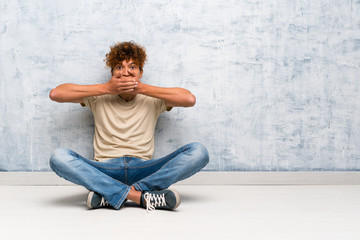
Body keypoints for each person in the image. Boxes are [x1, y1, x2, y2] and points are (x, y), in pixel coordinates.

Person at [49, 41, 209, 212]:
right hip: (105, 169)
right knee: (58, 157)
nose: (125, 72)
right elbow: (56, 93)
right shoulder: (98, 96)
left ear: (140, 73)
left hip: (144, 169)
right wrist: (106, 88)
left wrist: (142, 89)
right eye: (119, 67)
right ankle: (140, 196)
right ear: (112, 73)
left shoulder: (153, 98)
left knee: (199, 151)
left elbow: (189, 99)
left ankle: (111, 194)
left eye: (132, 67)